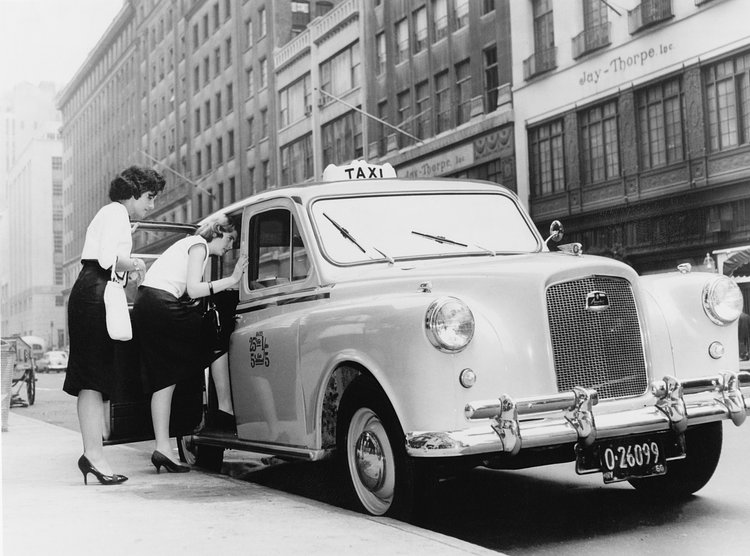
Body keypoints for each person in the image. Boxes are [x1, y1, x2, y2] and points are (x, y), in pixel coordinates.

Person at [64, 165, 164, 485]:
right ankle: (93, 455)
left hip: (91, 291)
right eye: (149, 197)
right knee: (94, 378)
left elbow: (108, 263)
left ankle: (93, 454)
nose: (152, 204)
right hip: (94, 293)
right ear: (133, 193)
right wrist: (136, 263)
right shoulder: (117, 213)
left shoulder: (113, 215)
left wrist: (127, 267)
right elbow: (108, 258)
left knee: (94, 379)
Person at [132, 217, 247, 473]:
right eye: (230, 239)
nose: (230, 246)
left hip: (147, 303)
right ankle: (225, 410)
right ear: (218, 232)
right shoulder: (198, 245)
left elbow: (190, 291)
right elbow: (195, 290)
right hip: (161, 303)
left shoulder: (189, 245)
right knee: (216, 334)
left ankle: (162, 448)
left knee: (165, 378)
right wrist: (233, 278)